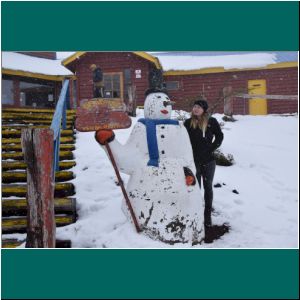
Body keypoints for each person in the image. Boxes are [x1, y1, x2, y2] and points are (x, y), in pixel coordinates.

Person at [184, 99, 224, 229]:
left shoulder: (211, 122)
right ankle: (195, 214)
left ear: (204, 110)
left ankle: (207, 216)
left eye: (199, 107)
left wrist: (211, 148)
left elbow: (219, 136)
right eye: (194, 106)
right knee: (195, 188)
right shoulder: (187, 123)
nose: (196, 109)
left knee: (208, 187)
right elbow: (182, 139)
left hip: (208, 161)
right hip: (194, 161)